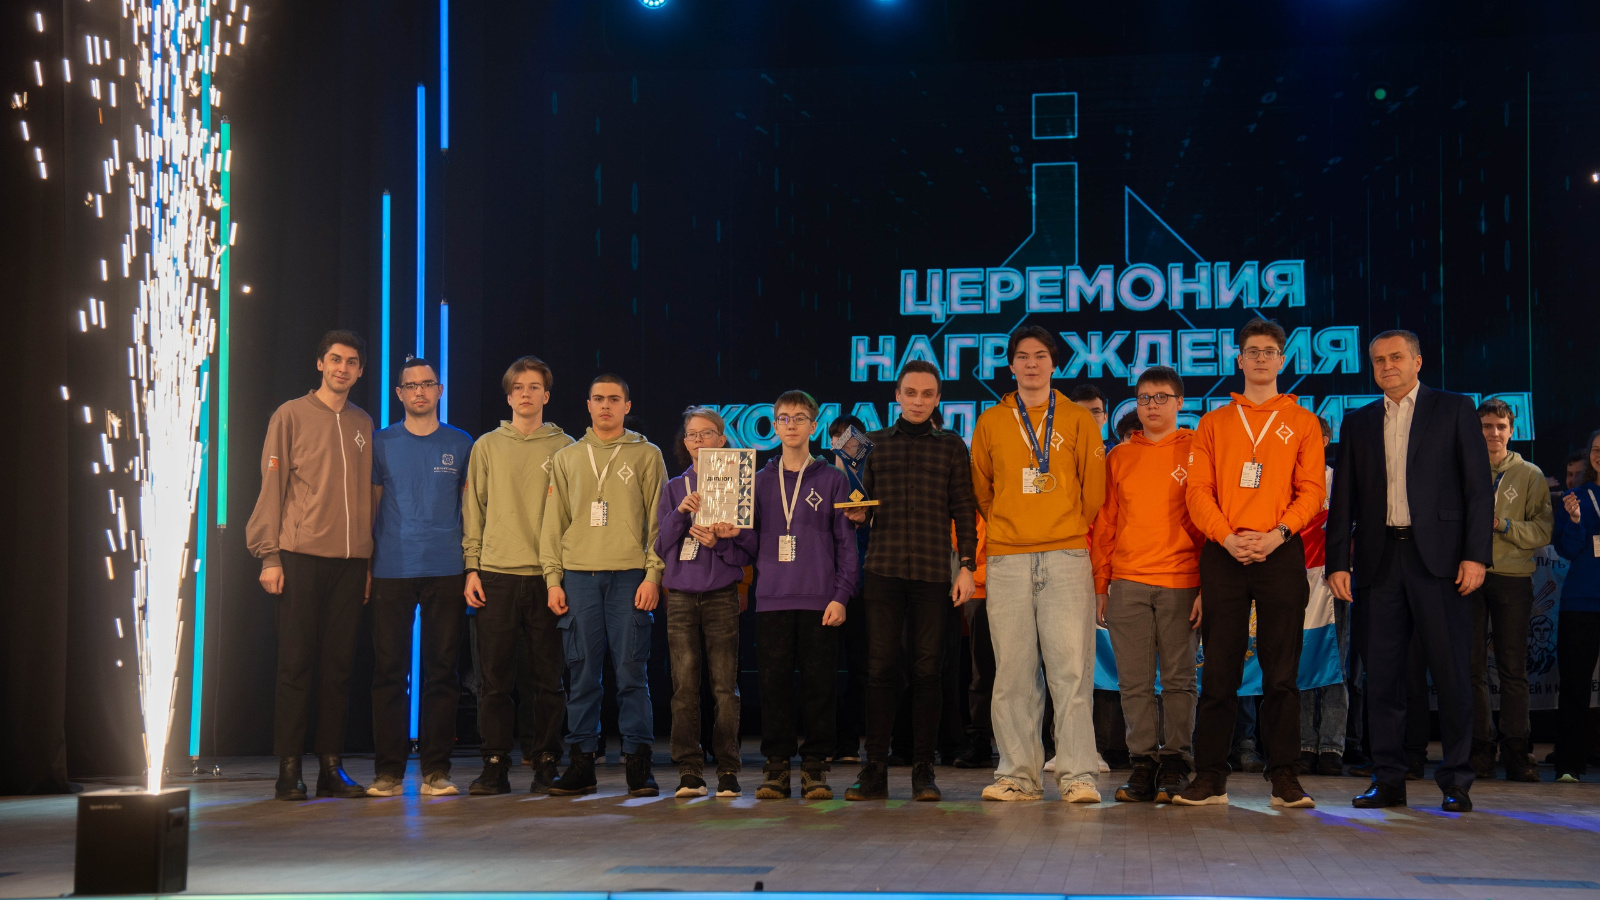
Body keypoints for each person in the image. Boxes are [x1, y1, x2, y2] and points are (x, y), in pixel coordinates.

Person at [1328, 329, 1491, 813]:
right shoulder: (1357, 421)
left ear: (1418, 361)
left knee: (1452, 673)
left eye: (1396, 357)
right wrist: (1338, 561)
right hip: (1379, 562)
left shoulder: (1454, 408)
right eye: (1379, 360)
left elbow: (1477, 489)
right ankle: (1388, 780)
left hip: (1441, 561)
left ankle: (1456, 781)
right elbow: (1344, 499)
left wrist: (1476, 555)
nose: (1387, 366)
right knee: (1381, 678)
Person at [1175, 318, 1324, 809]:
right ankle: (1209, 777)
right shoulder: (1213, 422)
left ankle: (1284, 778)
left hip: (1280, 551)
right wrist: (1226, 537)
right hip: (1225, 553)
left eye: (1269, 351)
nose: (1260, 358)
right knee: (1219, 672)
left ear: (1282, 359)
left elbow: (1312, 491)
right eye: (1252, 351)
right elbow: (1197, 491)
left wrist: (1278, 534)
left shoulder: (1303, 421)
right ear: (1239, 359)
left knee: (1281, 673)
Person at [970, 325, 1107, 803]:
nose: (1032, 363)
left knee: (1071, 671)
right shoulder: (991, 420)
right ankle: (1017, 776)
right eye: (1023, 356)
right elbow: (982, 488)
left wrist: (1064, 525)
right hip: (1007, 557)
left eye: (1041, 355)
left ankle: (1077, 775)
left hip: (1066, 554)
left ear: (1054, 363)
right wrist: (1011, 525)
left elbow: (1094, 489)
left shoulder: (1077, 418)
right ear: (1011, 365)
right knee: (1012, 673)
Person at [246, 330, 375, 801]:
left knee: (338, 669)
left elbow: (369, 496)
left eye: (352, 362)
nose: (343, 368)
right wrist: (269, 555)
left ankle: (331, 767)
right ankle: (288, 768)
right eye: (335, 359)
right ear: (321, 364)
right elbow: (272, 486)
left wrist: (367, 563)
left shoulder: (364, 422)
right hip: (298, 558)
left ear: (360, 371)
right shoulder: (290, 414)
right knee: (295, 665)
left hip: (350, 564)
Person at [840, 361, 978, 802]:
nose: (919, 401)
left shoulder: (952, 445)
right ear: (897, 396)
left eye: (927, 394)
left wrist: (968, 566)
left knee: (927, 673)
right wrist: (856, 513)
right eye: (911, 392)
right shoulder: (872, 443)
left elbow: (964, 508)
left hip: (934, 573)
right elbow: (860, 504)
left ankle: (923, 770)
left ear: (938, 399)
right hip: (883, 570)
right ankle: (875, 769)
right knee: (880, 671)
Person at [542, 374, 668, 797]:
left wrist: (653, 574)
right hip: (578, 576)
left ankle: (638, 763)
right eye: (598, 398)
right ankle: (582, 762)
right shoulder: (567, 457)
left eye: (614, 399)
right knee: (581, 674)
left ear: (627, 406)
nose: (606, 406)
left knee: (632, 672)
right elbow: (553, 522)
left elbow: (659, 522)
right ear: (588, 404)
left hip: (630, 576)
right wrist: (553, 579)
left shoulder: (647, 454)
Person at [461, 356, 574, 794]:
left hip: (549, 578)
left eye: (534, 387)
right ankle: (494, 764)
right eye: (518, 388)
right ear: (508, 396)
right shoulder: (487, 445)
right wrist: (471, 568)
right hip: (495, 574)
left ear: (547, 395)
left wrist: (560, 574)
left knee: (548, 680)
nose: (526, 394)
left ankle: (546, 762)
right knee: (493, 681)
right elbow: (474, 510)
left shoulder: (565, 446)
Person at [1092, 365, 1203, 804]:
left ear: (1180, 402)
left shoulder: (1198, 449)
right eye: (1144, 398)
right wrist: (1101, 585)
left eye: (1161, 397)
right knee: (1134, 682)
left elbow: (1210, 523)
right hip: (1128, 582)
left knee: (1179, 681)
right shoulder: (1119, 457)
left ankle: (1176, 762)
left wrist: (1207, 586)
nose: (1152, 405)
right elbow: (1106, 525)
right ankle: (1142, 764)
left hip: (1182, 581)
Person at [366, 358, 472, 797]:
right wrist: (366, 565)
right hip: (391, 567)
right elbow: (371, 505)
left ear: (440, 390)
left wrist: (472, 565)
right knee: (389, 671)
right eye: (411, 386)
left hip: (447, 568)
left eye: (428, 384)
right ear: (400, 394)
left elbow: (470, 508)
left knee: (442, 673)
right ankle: (388, 772)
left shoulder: (461, 443)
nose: (420, 392)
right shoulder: (381, 442)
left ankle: (436, 771)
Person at [750, 391, 857, 800]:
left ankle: (815, 767)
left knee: (819, 687)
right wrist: (729, 533)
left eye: (799, 418)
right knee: (774, 686)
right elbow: (748, 545)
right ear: (774, 426)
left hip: (820, 600)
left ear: (814, 425)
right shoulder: (759, 481)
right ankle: (776, 767)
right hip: (772, 599)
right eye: (783, 418)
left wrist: (841, 596)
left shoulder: (833, 479)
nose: (791, 424)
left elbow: (846, 545)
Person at [655, 407, 752, 798]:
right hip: (680, 597)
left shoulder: (737, 483)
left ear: (722, 439)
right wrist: (681, 513)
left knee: (725, 688)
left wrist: (721, 542)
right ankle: (689, 770)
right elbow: (660, 545)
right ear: (685, 442)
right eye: (692, 434)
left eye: (706, 433)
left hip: (721, 595)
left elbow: (749, 550)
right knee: (684, 688)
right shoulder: (675, 487)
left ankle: (728, 768)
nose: (699, 440)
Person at [1467, 399, 1553, 782]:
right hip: (1469, 576)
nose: (1494, 433)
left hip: (1513, 578)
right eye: (1486, 426)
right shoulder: (1463, 469)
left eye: (1500, 426)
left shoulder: (1530, 474)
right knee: (1472, 668)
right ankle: (1480, 750)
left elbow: (1543, 531)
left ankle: (1516, 752)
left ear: (1512, 430)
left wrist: (1502, 525)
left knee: (1513, 669)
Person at [1296, 415, 1349, 777]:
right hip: (1293, 582)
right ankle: (1302, 743)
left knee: (1333, 663)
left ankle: (1331, 745)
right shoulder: (1286, 483)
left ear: (1326, 440)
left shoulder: (1341, 482)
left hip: (1332, 582)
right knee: (1296, 665)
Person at [1552, 429, 1600, 783]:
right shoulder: (1576, 497)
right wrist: (1575, 522)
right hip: (1582, 600)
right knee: (1574, 684)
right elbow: (1566, 550)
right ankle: (1569, 763)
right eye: (1596, 449)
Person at [826, 413, 872, 764]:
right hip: (827, 585)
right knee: (824, 668)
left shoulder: (871, 479)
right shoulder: (822, 478)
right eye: (838, 438)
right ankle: (826, 741)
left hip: (865, 585)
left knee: (861, 667)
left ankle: (849, 742)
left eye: (851, 438)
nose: (844, 444)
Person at [1069, 383, 1115, 450]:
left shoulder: (1117, 454)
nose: (1090, 417)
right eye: (1082, 412)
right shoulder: (1058, 453)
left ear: (1105, 417)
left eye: (1096, 412)